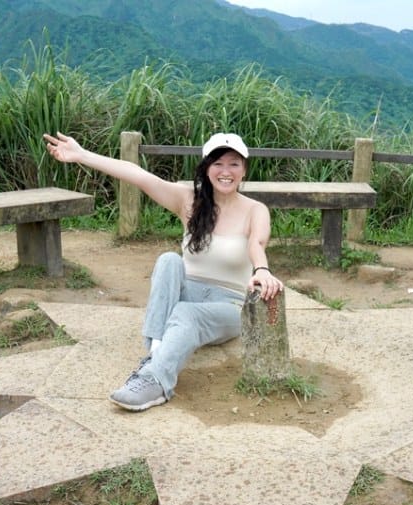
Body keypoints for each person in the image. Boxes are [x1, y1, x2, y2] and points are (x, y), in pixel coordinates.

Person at [43, 131, 284, 412]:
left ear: (244, 170)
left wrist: (262, 270)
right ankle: (157, 352)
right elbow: (138, 175)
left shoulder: (256, 210)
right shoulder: (189, 201)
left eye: (234, 163)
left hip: (228, 305)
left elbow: (256, 243)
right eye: (217, 163)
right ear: (206, 167)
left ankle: (156, 381)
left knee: (185, 313)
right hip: (188, 289)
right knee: (169, 260)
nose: (225, 171)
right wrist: (82, 155)